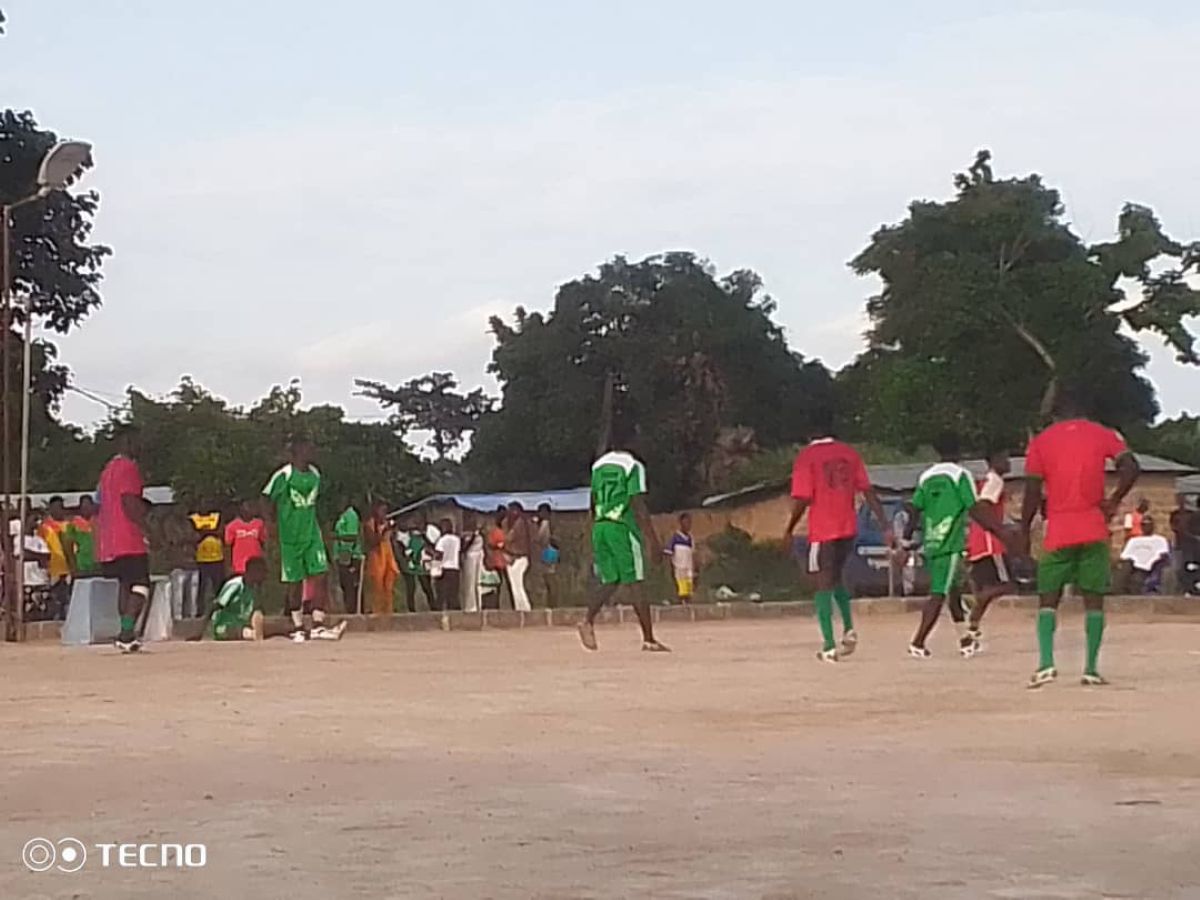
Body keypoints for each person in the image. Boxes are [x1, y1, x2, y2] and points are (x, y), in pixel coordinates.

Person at [1020, 389, 1139, 689]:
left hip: (1059, 528)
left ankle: (1047, 663)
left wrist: (1023, 529)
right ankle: (1090, 669)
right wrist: (1114, 500)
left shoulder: (1042, 442)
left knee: (1048, 598)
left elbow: (1033, 491)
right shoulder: (1103, 434)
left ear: (1057, 413)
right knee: (1094, 600)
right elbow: (1131, 466)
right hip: (1093, 527)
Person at [783, 412, 892, 662]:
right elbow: (868, 490)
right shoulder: (849, 453)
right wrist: (885, 524)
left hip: (823, 530)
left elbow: (803, 497)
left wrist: (789, 528)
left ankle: (829, 645)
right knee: (836, 578)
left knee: (820, 582)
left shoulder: (807, 457)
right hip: (848, 528)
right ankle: (849, 629)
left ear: (809, 434)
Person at [907, 434, 1011, 659]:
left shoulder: (926, 476)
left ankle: (965, 641)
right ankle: (918, 642)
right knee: (939, 594)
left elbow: (914, 508)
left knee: (953, 593)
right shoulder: (961, 475)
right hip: (950, 542)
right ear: (960, 453)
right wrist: (998, 531)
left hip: (932, 541)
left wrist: (906, 538)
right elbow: (974, 507)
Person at [578, 420, 669, 653]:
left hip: (601, 526)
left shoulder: (599, 466)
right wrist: (654, 542)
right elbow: (637, 504)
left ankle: (587, 619)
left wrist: (588, 536)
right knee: (635, 581)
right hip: (622, 527)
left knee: (612, 579)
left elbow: (593, 501)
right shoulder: (633, 466)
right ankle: (649, 639)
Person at [261, 436, 346, 642]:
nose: (312, 452)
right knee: (294, 582)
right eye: (308, 449)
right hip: (290, 537)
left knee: (320, 575)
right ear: (297, 451)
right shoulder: (284, 475)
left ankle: (317, 624)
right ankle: (298, 626)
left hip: (311, 533)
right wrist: (270, 524)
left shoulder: (316, 474)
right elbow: (265, 498)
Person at [98, 426, 152, 653]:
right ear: (127, 442)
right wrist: (148, 528)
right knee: (141, 584)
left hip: (109, 540)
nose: (140, 446)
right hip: (128, 537)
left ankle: (125, 633)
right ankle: (127, 631)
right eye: (136, 441)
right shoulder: (129, 468)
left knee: (125, 584)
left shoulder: (107, 470)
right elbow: (130, 502)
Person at [964, 450, 1015, 647]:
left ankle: (972, 628)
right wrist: (1000, 530)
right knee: (1007, 584)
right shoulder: (995, 481)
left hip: (978, 541)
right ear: (993, 462)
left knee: (989, 587)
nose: (1008, 462)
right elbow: (983, 505)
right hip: (990, 542)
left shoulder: (985, 480)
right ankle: (973, 604)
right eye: (1004, 458)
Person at [209, 555, 267, 641]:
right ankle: (254, 635)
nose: (264, 575)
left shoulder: (255, 589)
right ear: (252, 571)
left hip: (242, 623)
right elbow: (216, 606)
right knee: (245, 632)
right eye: (262, 571)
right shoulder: (236, 585)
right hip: (225, 626)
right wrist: (200, 630)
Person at [188, 502, 225, 618]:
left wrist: (204, 532)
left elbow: (220, 532)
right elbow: (193, 536)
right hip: (202, 559)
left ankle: (221, 611)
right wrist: (210, 532)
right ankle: (200, 612)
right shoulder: (194, 518)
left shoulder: (216, 516)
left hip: (217, 557)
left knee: (219, 587)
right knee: (201, 589)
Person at [39, 496, 72, 620]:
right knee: (53, 597)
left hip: (68, 567)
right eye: (56, 507)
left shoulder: (69, 525)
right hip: (52, 567)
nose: (59, 510)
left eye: (61, 507)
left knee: (67, 596)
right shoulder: (44, 527)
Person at [363, 501, 399, 616]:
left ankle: (388, 611)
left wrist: (391, 530)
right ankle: (377, 611)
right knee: (377, 585)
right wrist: (382, 531)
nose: (384, 514)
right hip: (377, 556)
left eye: (385, 511)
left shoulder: (386, 523)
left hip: (388, 555)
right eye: (382, 511)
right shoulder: (370, 524)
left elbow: (392, 540)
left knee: (389, 586)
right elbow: (372, 542)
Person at [1119, 516, 1171, 594]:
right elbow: (1125, 556)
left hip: (1152, 567)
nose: (1146, 527)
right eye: (1144, 524)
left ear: (1153, 526)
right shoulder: (1133, 540)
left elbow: (1163, 554)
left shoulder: (1160, 540)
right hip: (1135, 566)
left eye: (1148, 524)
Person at [332, 503, 364, 613]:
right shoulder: (342, 516)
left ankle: (353, 611)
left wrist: (336, 537)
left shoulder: (351, 515)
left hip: (350, 555)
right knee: (345, 586)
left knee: (350, 585)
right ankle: (349, 610)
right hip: (342, 555)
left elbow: (352, 536)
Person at [397, 523, 436, 613]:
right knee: (411, 588)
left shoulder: (425, 539)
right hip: (411, 565)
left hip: (421, 566)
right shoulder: (407, 538)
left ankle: (433, 606)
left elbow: (430, 548)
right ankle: (411, 609)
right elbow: (403, 549)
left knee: (426, 587)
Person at [503, 502, 534, 612]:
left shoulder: (522, 523)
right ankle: (519, 608)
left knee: (518, 584)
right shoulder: (508, 523)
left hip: (520, 557)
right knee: (514, 585)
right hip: (511, 556)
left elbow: (509, 538)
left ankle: (525, 608)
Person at [224, 500, 268, 576]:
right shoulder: (232, 526)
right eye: (245, 507)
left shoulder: (259, 524)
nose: (248, 510)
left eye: (250, 507)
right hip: (239, 564)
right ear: (241, 510)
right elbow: (228, 547)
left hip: (255, 563)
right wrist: (229, 565)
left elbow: (263, 542)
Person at [63, 494, 101, 579]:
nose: (86, 509)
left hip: (98, 564)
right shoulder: (73, 524)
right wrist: (73, 566)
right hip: (81, 564)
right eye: (84, 507)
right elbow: (68, 546)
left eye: (88, 506)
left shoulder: (99, 522)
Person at [663, 512, 698, 605]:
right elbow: (668, 553)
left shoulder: (690, 538)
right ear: (681, 523)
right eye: (686, 522)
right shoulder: (675, 537)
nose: (688, 525)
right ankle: (682, 603)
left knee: (689, 586)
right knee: (681, 587)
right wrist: (670, 567)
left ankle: (688, 603)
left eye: (689, 523)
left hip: (689, 566)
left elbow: (693, 553)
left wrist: (695, 566)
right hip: (679, 566)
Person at [533, 503, 559, 609]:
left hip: (547, 552)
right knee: (550, 579)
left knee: (548, 579)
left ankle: (551, 604)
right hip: (552, 552)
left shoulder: (545, 523)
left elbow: (541, 539)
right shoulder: (551, 523)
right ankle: (552, 603)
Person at [433, 517, 462, 612]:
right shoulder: (457, 539)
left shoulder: (442, 540)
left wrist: (431, 554)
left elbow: (439, 555)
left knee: (442, 595)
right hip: (455, 569)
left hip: (444, 569)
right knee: (453, 595)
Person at [485, 508, 512, 609]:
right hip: (498, 560)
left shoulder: (506, 531)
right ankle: (496, 605)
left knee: (508, 584)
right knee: (498, 584)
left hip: (505, 560)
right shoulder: (495, 531)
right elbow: (491, 544)